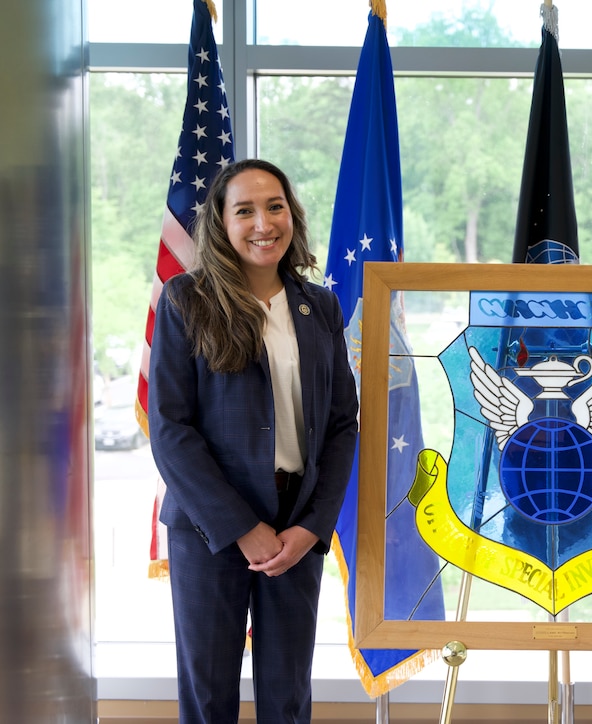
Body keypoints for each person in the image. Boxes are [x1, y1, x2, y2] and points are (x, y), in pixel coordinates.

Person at [148, 158, 358, 723]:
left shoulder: (321, 308)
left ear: (292, 215)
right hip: (209, 529)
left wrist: (312, 526)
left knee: (286, 697)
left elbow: (342, 426)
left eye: (275, 207)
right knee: (209, 694)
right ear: (221, 221)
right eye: (245, 210)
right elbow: (171, 430)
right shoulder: (184, 301)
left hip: (297, 526)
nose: (263, 222)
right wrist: (242, 528)